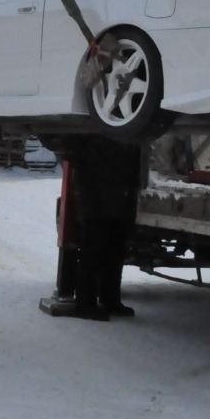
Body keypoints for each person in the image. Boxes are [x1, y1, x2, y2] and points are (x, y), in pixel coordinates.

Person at [66, 136, 144, 321]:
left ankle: (110, 300)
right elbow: (70, 152)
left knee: (115, 255)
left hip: (119, 202)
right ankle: (85, 304)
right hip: (96, 203)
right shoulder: (86, 135)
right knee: (92, 254)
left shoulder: (128, 133)